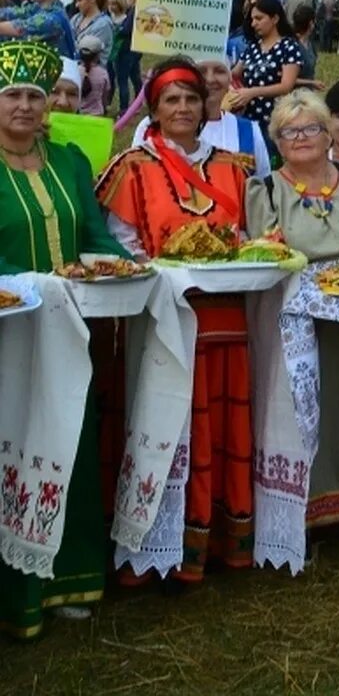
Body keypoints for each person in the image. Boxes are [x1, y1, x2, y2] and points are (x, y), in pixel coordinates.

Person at [97, 57, 254, 583]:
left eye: (191, 98)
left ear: (206, 105)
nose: (184, 107)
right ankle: (153, 545)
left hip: (226, 318)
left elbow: (250, 239)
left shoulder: (234, 166)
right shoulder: (134, 167)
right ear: (155, 111)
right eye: (172, 100)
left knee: (218, 423)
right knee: (165, 423)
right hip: (164, 318)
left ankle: (212, 542)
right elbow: (122, 244)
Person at [0, 41, 131, 638]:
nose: (25, 107)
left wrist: (121, 266)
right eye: (12, 96)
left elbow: (96, 237)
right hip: (8, 336)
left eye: (35, 95)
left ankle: (67, 578)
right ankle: (13, 591)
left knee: (66, 445)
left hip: (69, 332)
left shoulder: (71, 161)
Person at [244, 91, 339, 554]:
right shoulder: (267, 191)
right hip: (296, 328)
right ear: (277, 140)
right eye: (289, 131)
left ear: (327, 133)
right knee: (298, 416)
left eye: (311, 128)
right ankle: (302, 517)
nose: (302, 138)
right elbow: (263, 257)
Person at [132, 55, 272, 177]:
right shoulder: (154, 125)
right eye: (202, 71)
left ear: (229, 79)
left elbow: (262, 187)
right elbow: (136, 175)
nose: (210, 79)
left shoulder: (248, 130)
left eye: (219, 71)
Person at [227, 0, 305, 140]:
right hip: (248, 119)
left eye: (259, 18)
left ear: (275, 19)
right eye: (252, 19)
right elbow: (234, 74)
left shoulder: (288, 47)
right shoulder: (252, 48)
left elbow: (286, 86)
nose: (253, 24)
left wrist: (252, 92)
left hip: (275, 120)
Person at [69, 0, 114, 67]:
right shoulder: (76, 18)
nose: (76, 5)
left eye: (80, 0)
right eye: (76, 1)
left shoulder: (103, 24)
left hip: (92, 75)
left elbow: (87, 52)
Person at [77, 34, 111, 115]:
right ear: (97, 55)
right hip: (96, 114)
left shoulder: (75, 71)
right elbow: (105, 96)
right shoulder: (103, 74)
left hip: (78, 114)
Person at [292, 3, 319, 82]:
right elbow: (286, 78)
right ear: (311, 23)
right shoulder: (293, 45)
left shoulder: (310, 43)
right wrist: (311, 83)